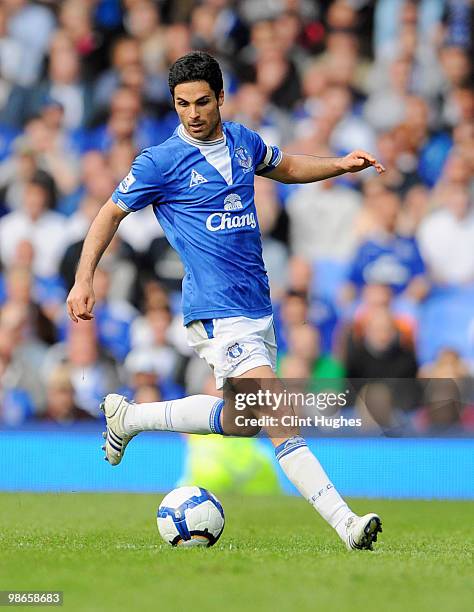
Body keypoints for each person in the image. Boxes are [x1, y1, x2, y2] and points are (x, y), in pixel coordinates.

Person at [67, 51, 385, 551]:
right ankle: (346, 523)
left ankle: (129, 418)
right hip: (217, 311)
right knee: (278, 410)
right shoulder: (160, 161)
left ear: (220, 98)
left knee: (241, 420)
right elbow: (109, 214)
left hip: (257, 306)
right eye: (181, 104)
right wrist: (83, 278)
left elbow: (287, 165)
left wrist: (340, 166)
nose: (192, 113)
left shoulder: (242, 142)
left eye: (201, 102)